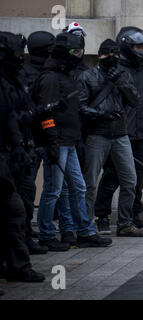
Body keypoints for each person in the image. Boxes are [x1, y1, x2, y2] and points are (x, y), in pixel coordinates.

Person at [35, 32, 112, 250]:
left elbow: (73, 110)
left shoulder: (66, 76)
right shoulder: (50, 78)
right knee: (53, 190)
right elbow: (45, 114)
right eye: (76, 51)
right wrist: (51, 142)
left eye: (81, 51)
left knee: (78, 187)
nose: (79, 56)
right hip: (56, 143)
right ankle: (47, 235)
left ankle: (85, 232)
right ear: (64, 51)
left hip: (69, 141)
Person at [80, 39, 143, 237]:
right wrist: (100, 114)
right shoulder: (88, 75)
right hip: (97, 134)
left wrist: (122, 81)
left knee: (130, 180)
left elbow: (135, 100)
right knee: (90, 182)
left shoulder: (123, 75)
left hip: (120, 134)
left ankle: (125, 223)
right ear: (99, 55)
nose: (112, 57)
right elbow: (80, 106)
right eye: (108, 54)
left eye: (116, 54)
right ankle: (87, 225)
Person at [95, 27, 143, 234]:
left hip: (140, 133)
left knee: (137, 178)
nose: (141, 50)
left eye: (142, 47)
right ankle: (101, 216)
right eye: (137, 46)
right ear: (127, 47)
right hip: (120, 133)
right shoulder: (116, 71)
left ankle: (132, 215)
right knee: (112, 176)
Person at [0, 31, 45, 282]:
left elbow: (13, 118)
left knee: (16, 210)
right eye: (16, 54)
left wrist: (19, 145)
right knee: (14, 209)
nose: (20, 59)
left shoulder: (13, 80)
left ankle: (17, 266)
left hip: (11, 155)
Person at [18, 31, 55, 251]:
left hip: (45, 137)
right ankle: (24, 232)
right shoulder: (26, 75)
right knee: (26, 189)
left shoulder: (48, 72)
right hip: (31, 138)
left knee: (51, 187)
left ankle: (29, 230)